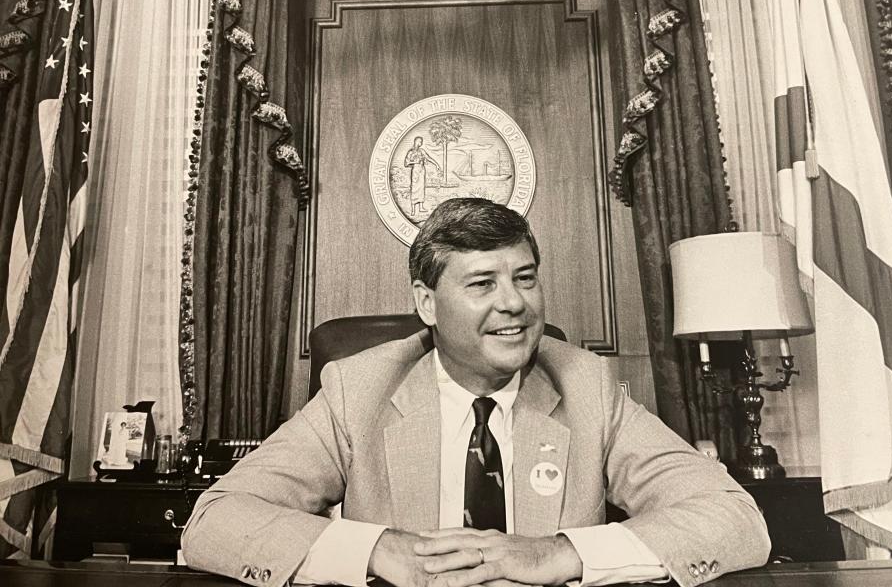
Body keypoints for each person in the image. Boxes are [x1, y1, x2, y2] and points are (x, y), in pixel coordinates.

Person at [181, 198, 770, 587]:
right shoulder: (356, 389)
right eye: (483, 283)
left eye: (525, 278)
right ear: (426, 304)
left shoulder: (585, 385)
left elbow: (735, 518)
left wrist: (558, 554)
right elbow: (215, 520)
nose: (514, 303)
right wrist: (376, 550)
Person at [404, 136, 440, 215]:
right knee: (414, 189)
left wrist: (436, 164)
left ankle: (421, 207)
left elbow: (428, 158)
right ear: (416, 141)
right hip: (415, 171)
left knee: (421, 188)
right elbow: (406, 163)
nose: (421, 143)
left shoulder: (422, 151)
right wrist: (415, 162)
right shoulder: (411, 152)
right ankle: (413, 209)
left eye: (421, 142)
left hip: (422, 171)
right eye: (420, 141)